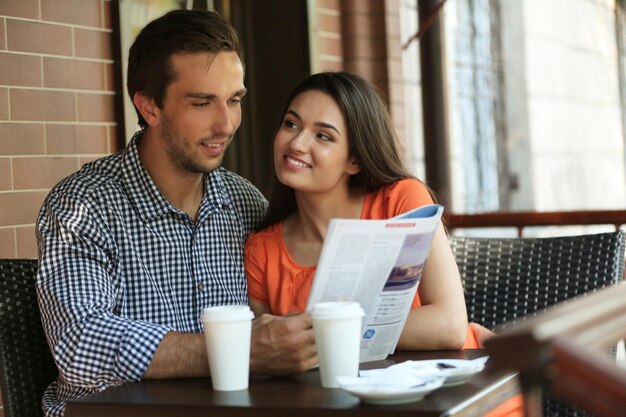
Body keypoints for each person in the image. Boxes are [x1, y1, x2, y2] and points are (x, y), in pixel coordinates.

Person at [36, 10, 315, 417]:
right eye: (202, 103)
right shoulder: (83, 205)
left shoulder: (246, 204)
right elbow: (82, 343)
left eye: (234, 100)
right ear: (149, 107)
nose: (225, 124)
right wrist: (238, 352)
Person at [245, 71, 480, 350]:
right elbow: (272, 354)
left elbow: (450, 325)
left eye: (323, 136)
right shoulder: (262, 252)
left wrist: (321, 331)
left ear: (354, 160)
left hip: (450, 383)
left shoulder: (400, 202)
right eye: (291, 124)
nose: (297, 144)